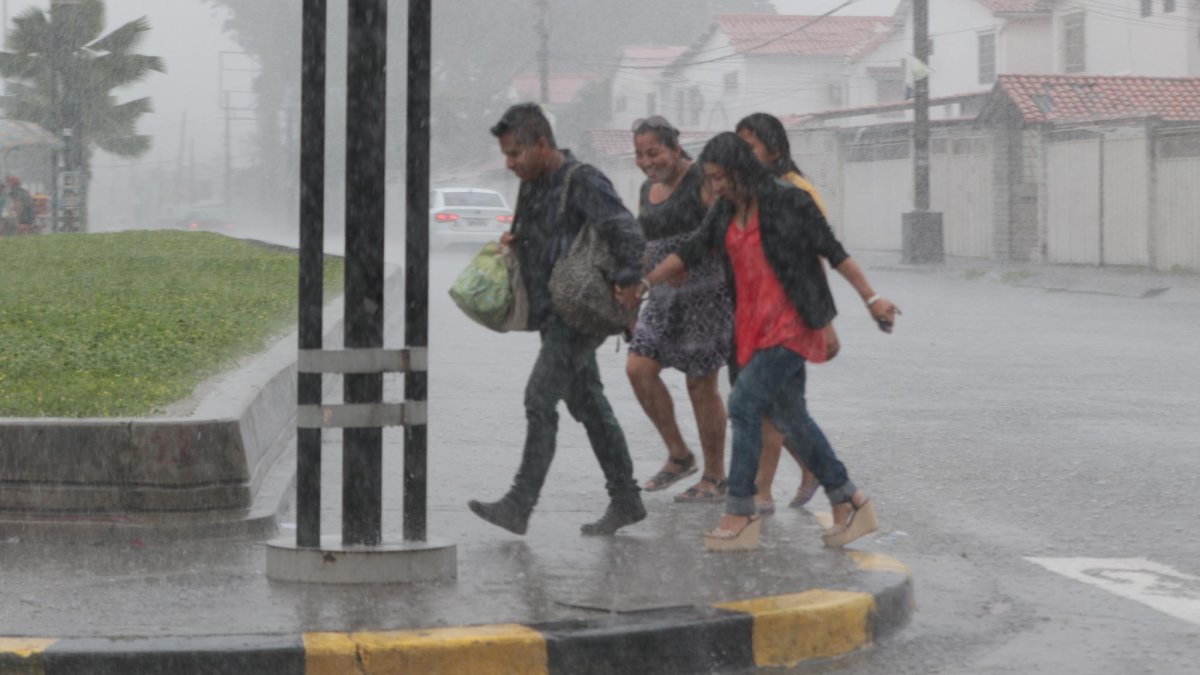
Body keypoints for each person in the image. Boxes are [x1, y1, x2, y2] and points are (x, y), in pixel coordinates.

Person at [635, 132, 899, 550]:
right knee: (793, 418)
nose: (717, 187)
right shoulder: (726, 209)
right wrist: (646, 281)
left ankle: (740, 512)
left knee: (744, 403)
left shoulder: (787, 201)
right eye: (712, 179)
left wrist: (872, 298)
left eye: (722, 177)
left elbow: (833, 252)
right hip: (753, 327)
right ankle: (849, 498)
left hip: (793, 325)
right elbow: (692, 249)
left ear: (743, 169)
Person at [468, 103, 649, 536]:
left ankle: (519, 502)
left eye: (516, 154)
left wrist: (627, 282)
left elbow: (626, 229)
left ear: (543, 143)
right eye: (506, 156)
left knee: (539, 399)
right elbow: (534, 235)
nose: (510, 165)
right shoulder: (532, 184)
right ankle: (626, 498)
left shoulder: (582, 180)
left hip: (579, 312)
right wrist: (514, 242)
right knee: (588, 402)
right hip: (552, 312)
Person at [626, 116, 732, 503]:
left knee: (700, 384)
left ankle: (715, 476)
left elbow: (719, 232)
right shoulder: (644, 188)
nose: (646, 161)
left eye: (653, 152)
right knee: (638, 369)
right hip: (661, 293)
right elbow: (645, 242)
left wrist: (686, 262)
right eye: (639, 154)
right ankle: (679, 455)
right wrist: (634, 288)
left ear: (674, 147)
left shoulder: (701, 180)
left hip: (707, 293)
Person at [735, 112, 831, 514]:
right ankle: (819, 472)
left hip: (788, 317)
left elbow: (819, 255)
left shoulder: (795, 191)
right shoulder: (752, 192)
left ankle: (762, 492)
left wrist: (820, 319)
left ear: (774, 150)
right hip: (757, 316)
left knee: (762, 405)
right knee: (781, 406)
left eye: (750, 147)